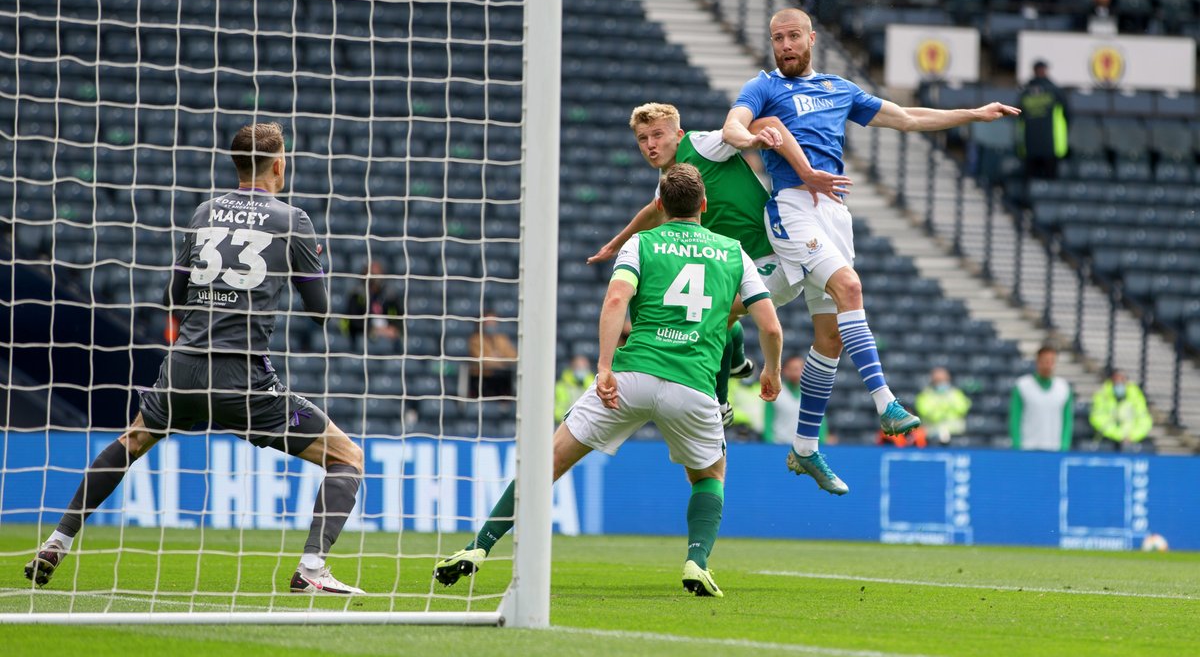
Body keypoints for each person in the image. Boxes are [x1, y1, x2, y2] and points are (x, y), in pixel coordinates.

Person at [24, 122, 366, 595]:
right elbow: (321, 312)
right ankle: (311, 569)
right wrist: (310, 264)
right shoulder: (294, 220)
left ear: (236, 165)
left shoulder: (205, 212)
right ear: (279, 165)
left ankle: (57, 541)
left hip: (182, 366)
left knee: (131, 440)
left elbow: (173, 294)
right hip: (242, 376)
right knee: (347, 456)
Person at [434, 164, 784, 597]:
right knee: (710, 475)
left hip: (631, 375)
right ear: (705, 206)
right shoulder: (733, 252)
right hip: (692, 386)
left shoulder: (641, 242)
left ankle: (479, 548)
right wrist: (770, 369)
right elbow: (769, 327)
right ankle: (696, 560)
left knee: (549, 461)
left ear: (659, 205)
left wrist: (603, 367)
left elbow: (617, 298)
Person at [723, 7, 1020, 495]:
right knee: (850, 288)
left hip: (835, 212)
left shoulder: (840, 89)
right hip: (794, 205)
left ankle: (802, 447)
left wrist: (973, 113)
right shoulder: (765, 87)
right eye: (778, 39)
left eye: (793, 36)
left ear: (811, 38)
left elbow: (905, 117)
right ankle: (886, 403)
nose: (785, 46)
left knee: (825, 338)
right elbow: (734, 124)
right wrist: (753, 135)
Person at [587, 102, 848, 425]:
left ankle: (720, 402)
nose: (651, 145)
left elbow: (734, 133)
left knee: (714, 315)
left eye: (657, 135)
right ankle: (736, 362)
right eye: (643, 139)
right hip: (738, 263)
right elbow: (654, 210)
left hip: (773, 256)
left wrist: (751, 142)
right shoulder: (670, 180)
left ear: (678, 134)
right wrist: (616, 243)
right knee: (709, 309)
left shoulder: (700, 144)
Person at [1010, 343, 1074, 451]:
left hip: (1054, 449)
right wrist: (1017, 445)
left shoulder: (1064, 388)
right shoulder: (1022, 386)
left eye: (1051, 361)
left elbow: (1067, 421)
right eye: (1045, 361)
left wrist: (1064, 446)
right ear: (1038, 362)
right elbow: (1015, 418)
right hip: (1028, 447)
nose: (1048, 365)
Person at [1017, 59, 1069, 181]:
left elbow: (1068, 115)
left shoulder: (1027, 92)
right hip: (1038, 145)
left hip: (1047, 145)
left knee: (1045, 183)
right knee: (1036, 184)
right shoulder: (1053, 91)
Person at [1089, 367, 1152, 451]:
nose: (1119, 383)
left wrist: (1132, 436)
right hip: (1108, 438)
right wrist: (1119, 435)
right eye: (1116, 380)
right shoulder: (1102, 395)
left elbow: (1144, 420)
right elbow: (1098, 419)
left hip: (1132, 438)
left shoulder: (1136, 395)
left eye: (1122, 379)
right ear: (1111, 380)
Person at [342, 259, 403, 341]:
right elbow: (354, 321)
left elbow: (399, 316)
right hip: (363, 337)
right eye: (373, 274)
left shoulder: (389, 295)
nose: (376, 278)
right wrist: (373, 329)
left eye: (379, 274)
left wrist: (394, 328)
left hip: (387, 337)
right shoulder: (357, 294)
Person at [467, 309, 519, 398]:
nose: (491, 325)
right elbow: (483, 360)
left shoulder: (502, 339)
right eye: (489, 322)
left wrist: (497, 358)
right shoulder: (475, 340)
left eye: (494, 322)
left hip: (502, 377)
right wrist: (501, 359)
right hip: (483, 378)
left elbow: (513, 356)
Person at [915, 366, 972, 445]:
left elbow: (962, 409)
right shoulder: (925, 395)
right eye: (938, 380)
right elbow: (927, 413)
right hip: (932, 434)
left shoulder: (956, 393)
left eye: (943, 380)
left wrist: (939, 408)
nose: (941, 383)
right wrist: (947, 408)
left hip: (956, 433)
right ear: (933, 381)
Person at [762, 354, 804, 444]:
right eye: (791, 369)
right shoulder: (774, 392)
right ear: (784, 370)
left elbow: (821, 421)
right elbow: (768, 419)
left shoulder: (811, 393)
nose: (794, 373)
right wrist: (769, 442)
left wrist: (821, 443)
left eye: (798, 369)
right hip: (779, 444)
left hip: (802, 446)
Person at [555, 353, 596, 423]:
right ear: (572, 368)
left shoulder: (594, 385)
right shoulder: (561, 386)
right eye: (578, 367)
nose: (582, 370)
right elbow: (557, 411)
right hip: (563, 423)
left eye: (584, 367)